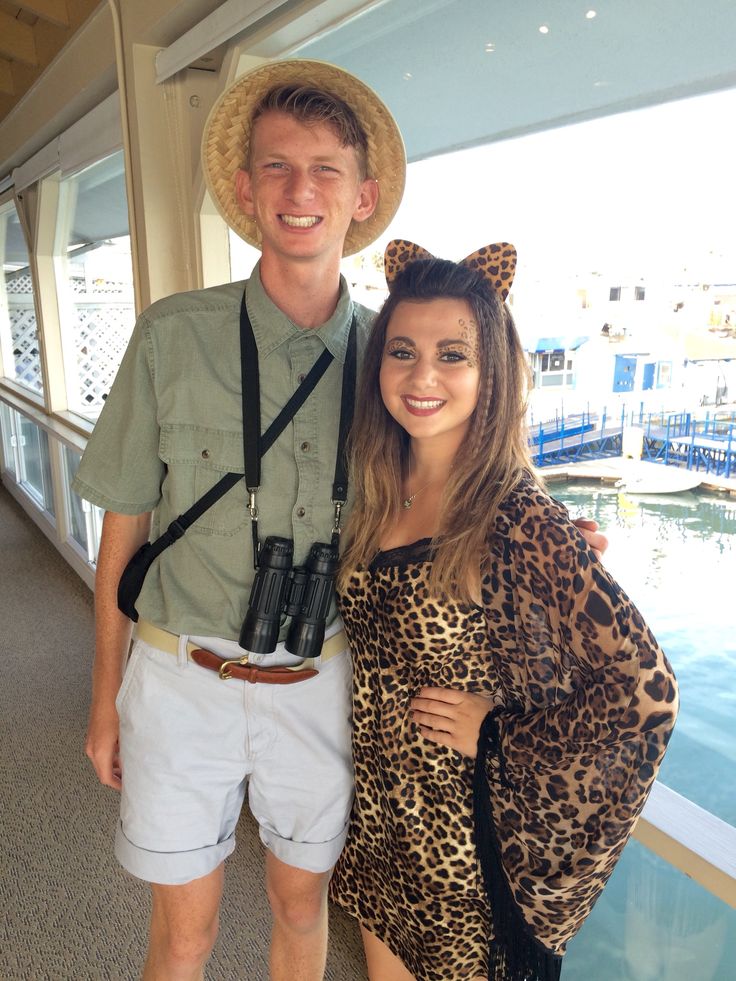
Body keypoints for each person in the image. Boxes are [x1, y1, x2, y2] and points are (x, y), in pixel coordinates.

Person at [73, 60, 607, 980]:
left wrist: (552, 537)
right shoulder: (173, 334)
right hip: (178, 673)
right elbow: (122, 527)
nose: (300, 190)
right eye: (278, 167)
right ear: (245, 190)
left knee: (300, 907)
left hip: (323, 682)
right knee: (186, 931)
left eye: (325, 170)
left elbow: (463, 470)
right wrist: (103, 696)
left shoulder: (391, 359)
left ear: (362, 197)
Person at [329, 241, 678, 981]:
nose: (423, 376)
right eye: (402, 351)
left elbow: (645, 696)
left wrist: (496, 731)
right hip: (384, 821)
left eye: (453, 354)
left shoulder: (520, 518)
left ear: (490, 373)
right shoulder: (377, 487)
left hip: (465, 852)